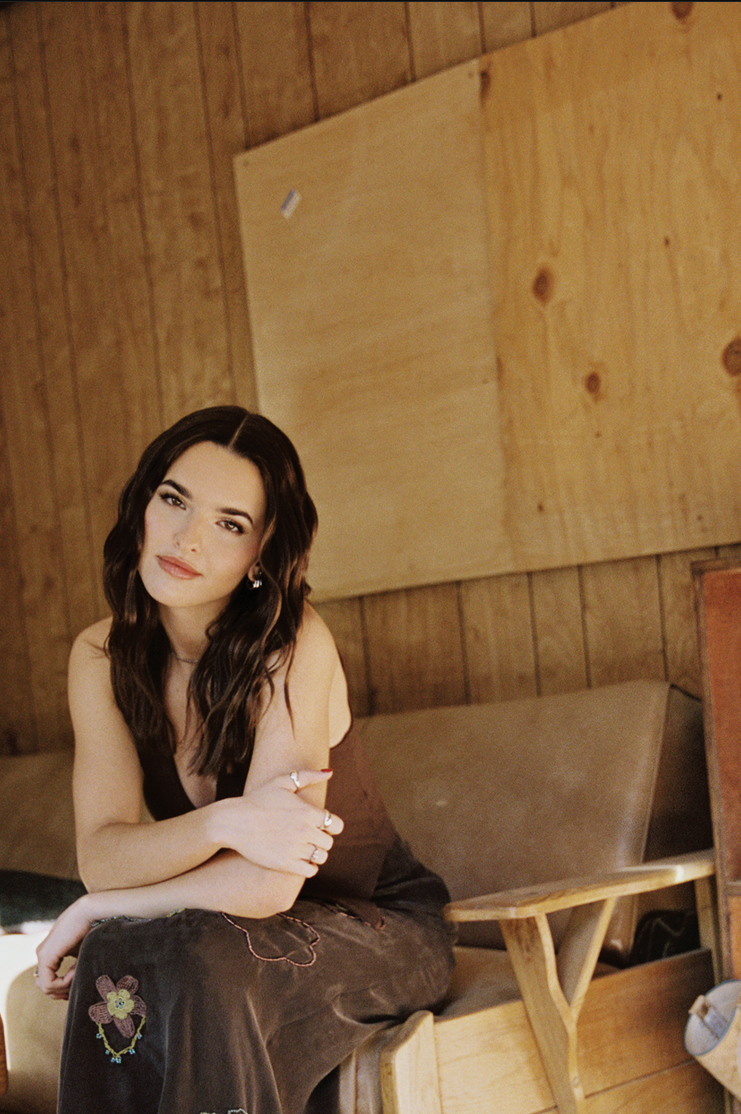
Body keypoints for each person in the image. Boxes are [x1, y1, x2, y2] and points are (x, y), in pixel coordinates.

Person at [34, 406, 454, 1114]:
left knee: (196, 959)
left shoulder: (292, 643)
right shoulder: (100, 656)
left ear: (260, 553)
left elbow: (271, 886)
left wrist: (102, 907)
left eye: (229, 524)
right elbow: (102, 853)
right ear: (142, 503)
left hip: (373, 923)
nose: (187, 538)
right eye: (173, 500)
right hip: (224, 919)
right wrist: (224, 821)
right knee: (118, 959)